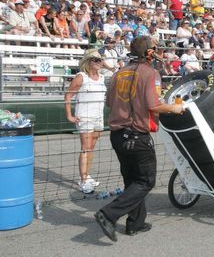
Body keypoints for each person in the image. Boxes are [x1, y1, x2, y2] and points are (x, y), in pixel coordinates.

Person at [94, 36, 185, 242]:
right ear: (149, 53)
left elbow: (110, 102)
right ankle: (108, 214)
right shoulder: (150, 73)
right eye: (155, 49)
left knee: (132, 180)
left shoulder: (118, 73)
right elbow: (154, 106)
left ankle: (135, 223)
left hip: (117, 135)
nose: (157, 51)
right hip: (136, 135)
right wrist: (175, 108)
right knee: (145, 181)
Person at [64, 49, 106, 194]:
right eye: (95, 59)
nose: (99, 62)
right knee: (86, 148)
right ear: (88, 62)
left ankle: (87, 176)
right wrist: (69, 115)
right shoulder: (81, 77)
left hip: (98, 116)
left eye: (100, 60)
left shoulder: (101, 78)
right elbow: (68, 95)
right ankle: (83, 180)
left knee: (91, 148)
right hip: (85, 117)